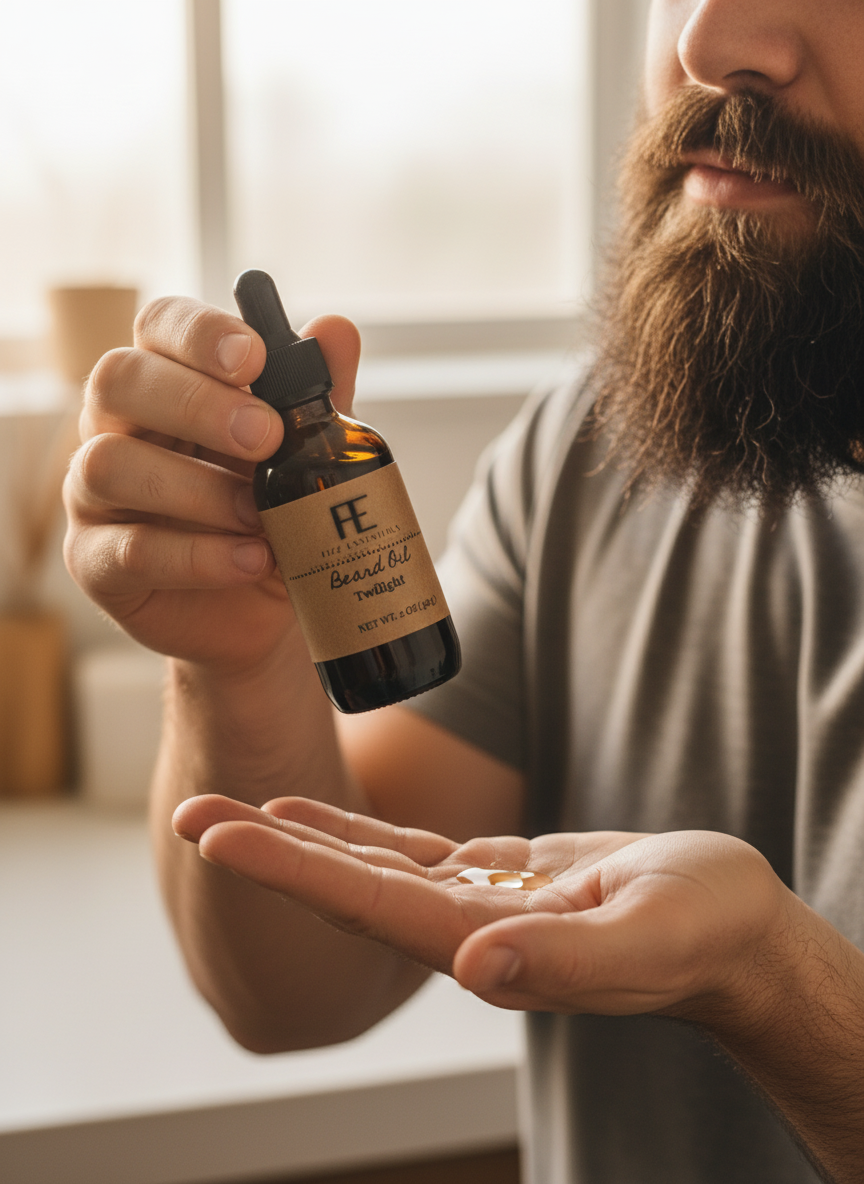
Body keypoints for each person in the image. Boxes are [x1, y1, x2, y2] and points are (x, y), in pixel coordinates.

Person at [63, 2, 864, 1181]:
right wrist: (235, 663)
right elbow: (293, 991)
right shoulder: (593, 443)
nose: (710, 40)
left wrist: (777, 987)